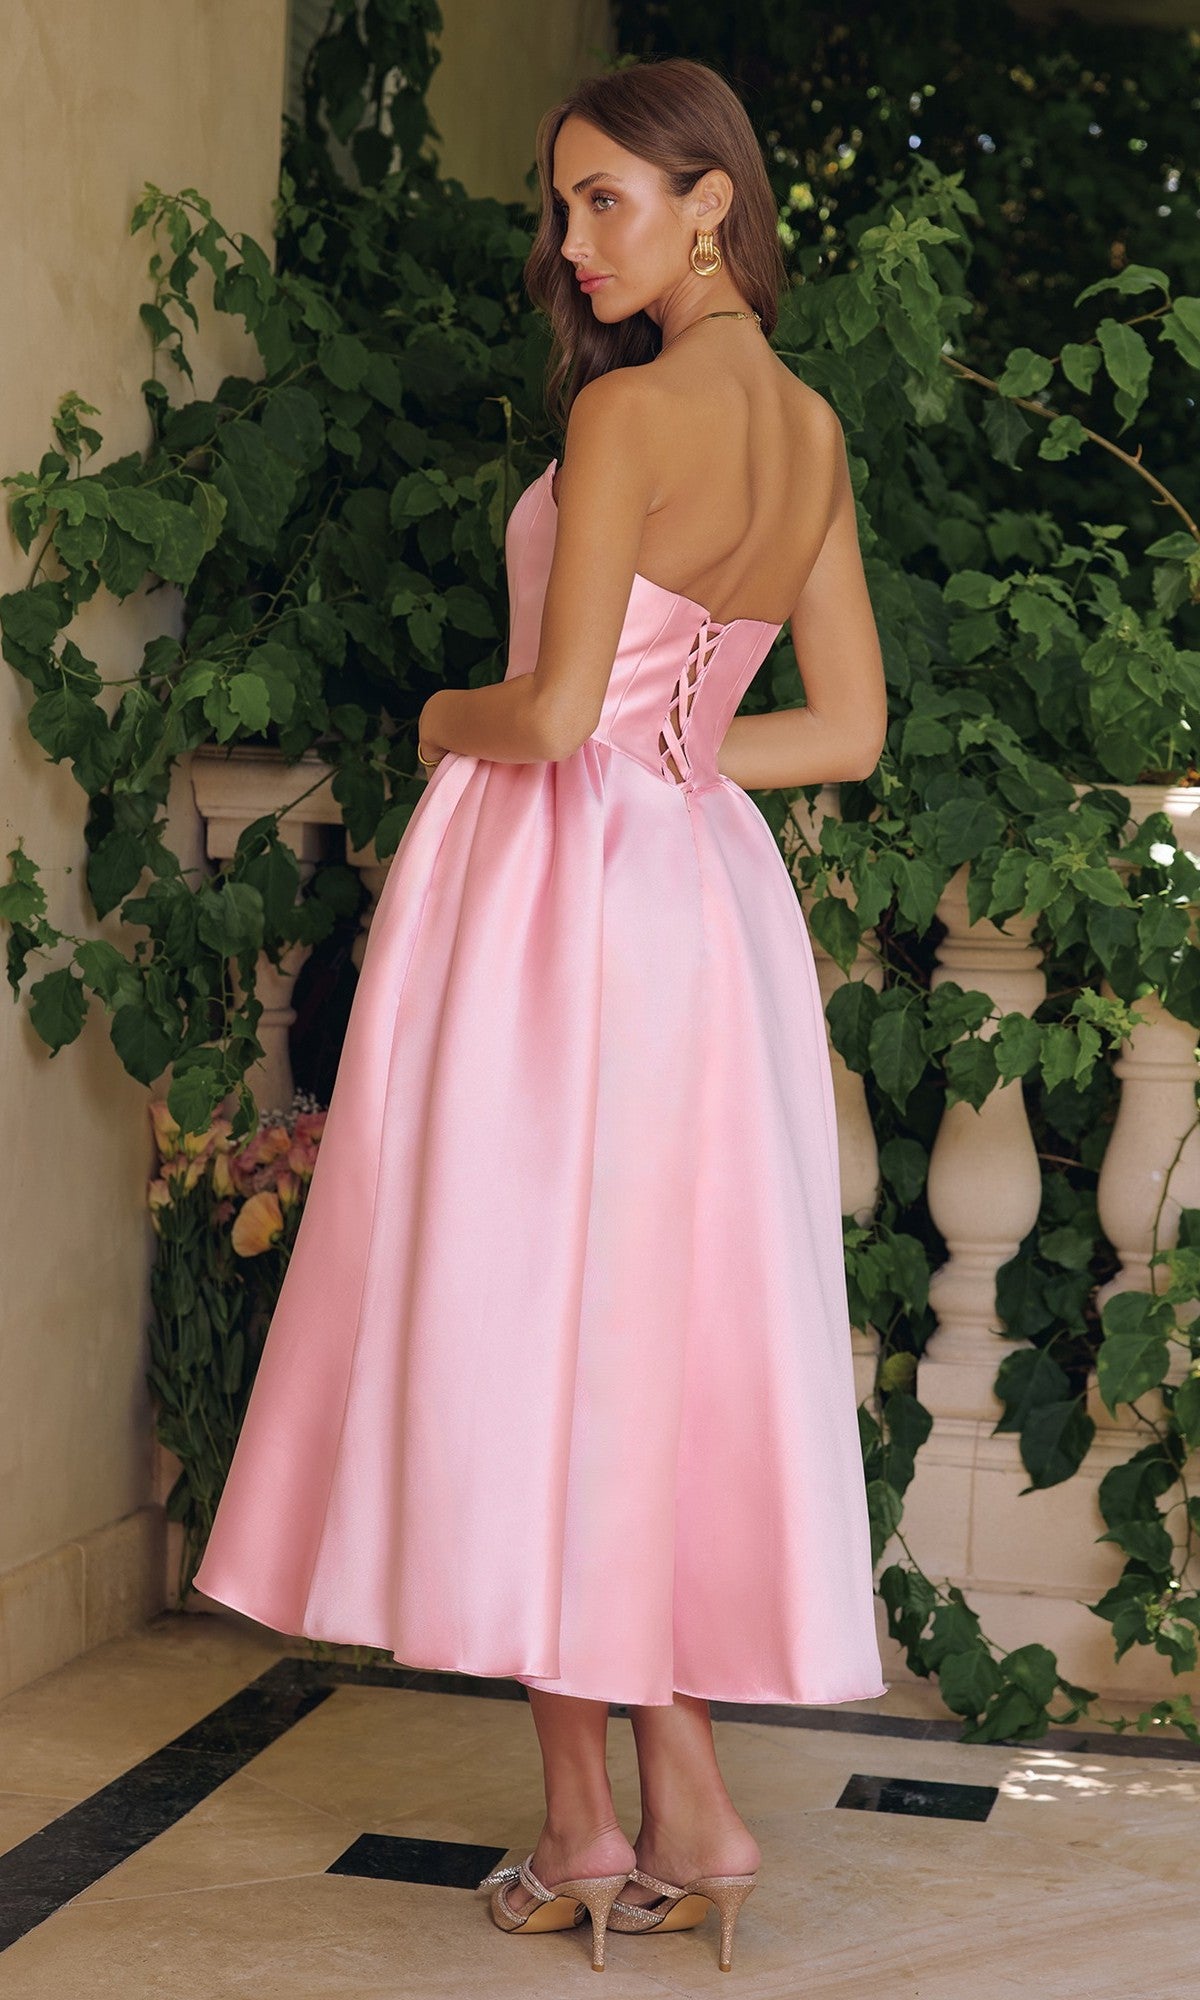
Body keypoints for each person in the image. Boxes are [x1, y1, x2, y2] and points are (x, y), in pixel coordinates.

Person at [192, 53, 889, 1976]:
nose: (572, 242)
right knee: (627, 1346)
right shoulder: (810, 432)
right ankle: (671, 1812)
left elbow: (556, 709)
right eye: (561, 206)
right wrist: (693, 744)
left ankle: (599, 1823)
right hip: (698, 906)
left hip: (552, 894)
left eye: (604, 202)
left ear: (710, 207)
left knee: (524, 1329)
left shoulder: (632, 424)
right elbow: (847, 728)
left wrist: (433, 720)